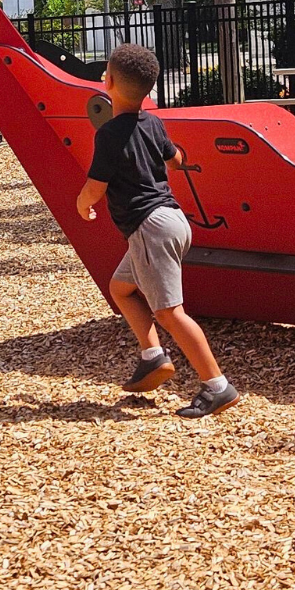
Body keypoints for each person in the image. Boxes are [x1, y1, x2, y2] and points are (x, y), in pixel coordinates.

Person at [76, 43, 240, 419]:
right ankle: (152, 356)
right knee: (122, 288)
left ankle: (218, 386)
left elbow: (96, 186)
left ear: (108, 82)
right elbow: (175, 158)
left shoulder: (109, 135)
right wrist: (174, 158)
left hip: (149, 228)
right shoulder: (153, 123)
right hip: (172, 221)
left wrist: (82, 203)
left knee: (169, 312)